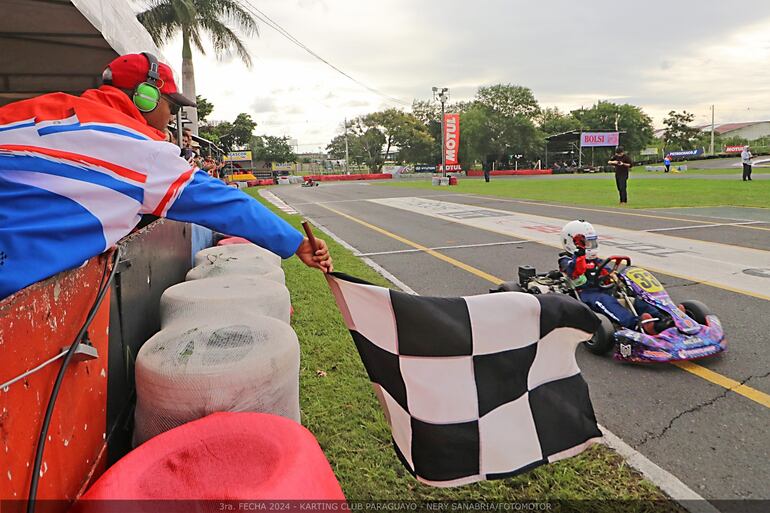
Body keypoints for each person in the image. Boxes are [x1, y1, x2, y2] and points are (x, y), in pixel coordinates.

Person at [0, 52, 332, 299]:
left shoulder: (30, 109)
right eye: (170, 106)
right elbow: (227, 204)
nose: (171, 116)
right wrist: (296, 242)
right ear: (146, 97)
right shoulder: (142, 151)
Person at [558, 220, 664, 335]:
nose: (590, 246)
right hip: (586, 294)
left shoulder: (596, 261)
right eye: (586, 243)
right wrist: (580, 254)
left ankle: (662, 320)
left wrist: (617, 278)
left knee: (637, 299)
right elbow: (575, 271)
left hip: (605, 290)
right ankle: (635, 325)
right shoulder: (566, 260)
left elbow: (608, 272)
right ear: (572, 243)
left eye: (592, 242)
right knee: (606, 300)